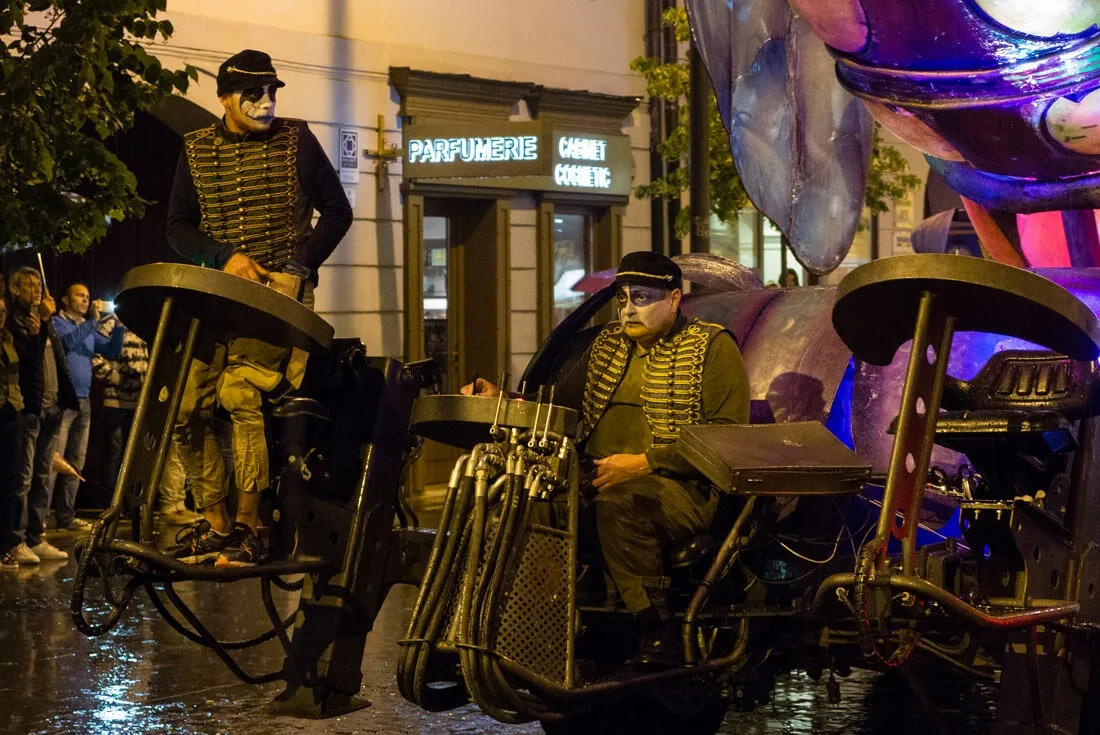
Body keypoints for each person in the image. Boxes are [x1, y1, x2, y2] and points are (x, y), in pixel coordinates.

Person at [464, 251, 750, 666]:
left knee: (620, 509)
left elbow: (725, 436)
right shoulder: (606, 346)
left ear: (673, 299)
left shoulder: (711, 346)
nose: (629, 309)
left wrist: (643, 463)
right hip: (595, 475)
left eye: (642, 297)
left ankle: (656, 629)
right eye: (623, 299)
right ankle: (532, 622)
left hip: (683, 486)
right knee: (524, 504)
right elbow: (558, 408)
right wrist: (504, 400)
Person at [165, 49, 352, 567]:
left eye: (272, 92)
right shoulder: (197, 149)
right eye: (254, 94)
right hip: (219, 299)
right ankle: (217, 522)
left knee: (240, 393)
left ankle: (254, 528)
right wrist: (224, 256)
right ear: (224, 97)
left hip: (279, 298)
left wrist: (298, 266)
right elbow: (178, 229)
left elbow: (338, 212)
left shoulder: (297, 140)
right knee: (184, 409)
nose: (266, 103)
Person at [7, 266, 76, 563]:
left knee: (42, 476)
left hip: (52, 406)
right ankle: (15, 539)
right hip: (30, 408)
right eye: (30, 285)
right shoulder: (15, 321)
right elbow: (27, 360)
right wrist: (44, 321)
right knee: (22, 478)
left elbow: (57, 359)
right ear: (15, 290)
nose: (36, 289)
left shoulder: (43, 321)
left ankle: (37, 537)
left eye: (38, 284)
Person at [50, 284, 124, 532]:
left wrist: (119, 327)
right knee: (53, 461)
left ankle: (66, 516)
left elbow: (112, 350)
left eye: (87, 296)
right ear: (65, 299)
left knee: (75, 461)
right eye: (80, 296)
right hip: (63, 402)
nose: (85, 300)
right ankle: (38, 521)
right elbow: (67, 343)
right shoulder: (58, 323)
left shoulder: (87, 327)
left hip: (84, 402)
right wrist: (92, 322)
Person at [0, 295, 25, 567]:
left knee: (10, 482)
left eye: (4, 311)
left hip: (12, 411)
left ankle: (6, 545)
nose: (2, 315)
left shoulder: (9, 339)